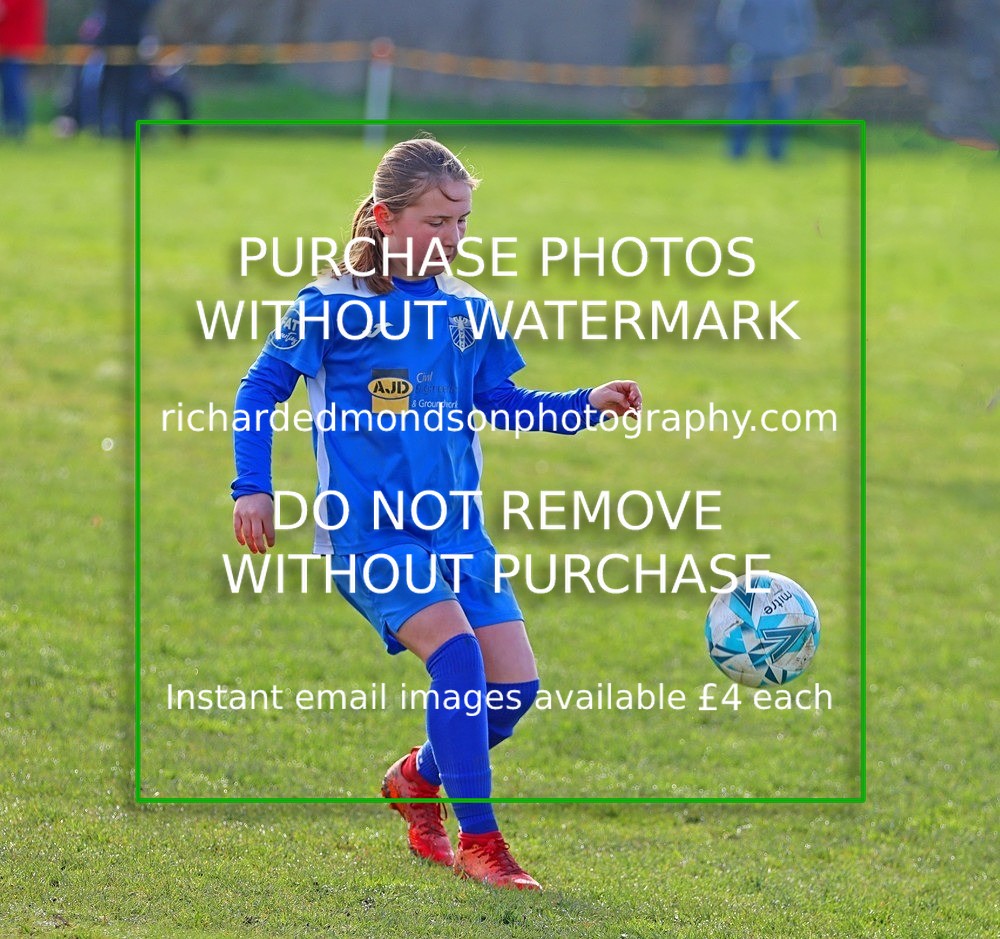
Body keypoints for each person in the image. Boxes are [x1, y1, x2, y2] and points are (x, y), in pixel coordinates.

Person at [230, 138, 642, 891]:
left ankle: (418, 777)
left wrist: (587, 403)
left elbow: (501, 402)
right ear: (385, 218)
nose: (453, 238)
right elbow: (259, 391)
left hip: (456, 532)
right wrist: (251, 486)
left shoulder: (467, 308)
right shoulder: (329, 305)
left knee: (513, 692)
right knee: (458, 661)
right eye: (436, 221)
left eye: (462, 222)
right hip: (369, 532)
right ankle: (482, 845)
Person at [716, 0, 818, 159]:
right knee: (743, 107)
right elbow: (729, 20)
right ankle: (736, 153)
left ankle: (777, 154)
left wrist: (790, 48)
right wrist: (747, 43)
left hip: (782, 63)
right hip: (750, 61)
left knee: (781, 108)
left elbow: (806, 26)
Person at [0, 0, 45, 138]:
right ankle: (15, 129)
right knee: (13, 90)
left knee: (13, 90)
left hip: (13, 47)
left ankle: (17, 129)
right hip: (15, 46)